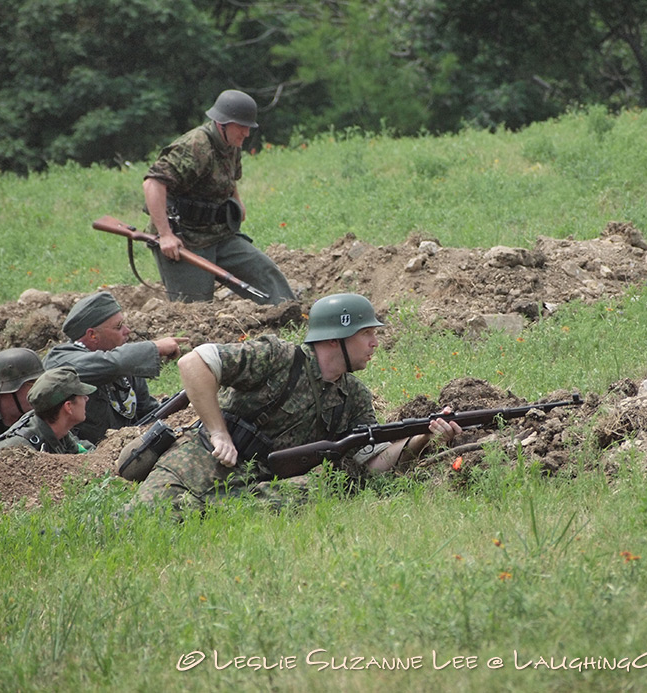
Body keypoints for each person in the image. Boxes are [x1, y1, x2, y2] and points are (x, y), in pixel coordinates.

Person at [126, 293, 461, 516]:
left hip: (257, 485)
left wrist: (423, 437)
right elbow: (194, 363)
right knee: (136, 522)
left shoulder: (355, 396)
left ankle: (208, 513)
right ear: (335, 338)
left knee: (323, 489)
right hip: (198, 462)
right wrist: (218, 433)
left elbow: (369, 462)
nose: (375, 343)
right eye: (366, 334)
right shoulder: (278, 357)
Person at [142, 89, 295, 305]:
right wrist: (165, 235)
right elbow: (153, 183)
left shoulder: (231, 144)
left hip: (219, 235)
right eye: (241, 127)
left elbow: (230, 177)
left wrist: (237, 202)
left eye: (249, 127)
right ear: (222, 123)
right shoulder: (195, 146)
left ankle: (292, 315)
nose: (247, 133)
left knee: (266, 274)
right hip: (185, 239)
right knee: (196, 308)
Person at [43, 290, 188, 444]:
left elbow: (148, 412)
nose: (127, 331)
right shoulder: (60, 360)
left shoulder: (123, 361)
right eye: (118, 327)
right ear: (92, 335)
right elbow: (111, 363)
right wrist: (154, 348)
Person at [0, 367, 96, 455]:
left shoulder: (60, 433)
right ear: (68, 406)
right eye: (82, 395)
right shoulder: (19, 449)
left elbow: (85, 454)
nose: (86, 398)